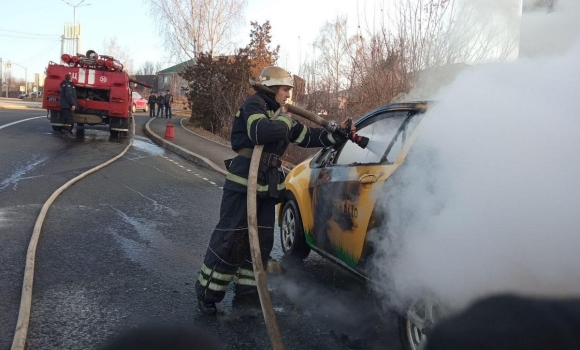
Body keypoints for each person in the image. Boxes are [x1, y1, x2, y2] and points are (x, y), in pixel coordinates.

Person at [195, 66, 355, 315]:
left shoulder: (280, 113)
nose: (288, 95)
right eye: (284, 89)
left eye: (289, 90)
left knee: (261, 243)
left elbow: (306, 136)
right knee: (231, 240)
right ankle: (208, 294)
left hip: (268, 183)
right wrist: (283, 117)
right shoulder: (254, 104)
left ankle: (248, 294)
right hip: (244, 181)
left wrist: (337, 135)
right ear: (270, 88)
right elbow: (260, 132)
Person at [59, 73, 77, 138]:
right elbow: (69, 95)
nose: (72, 78)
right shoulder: (68, 85)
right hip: (67, 105)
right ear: (70, 78)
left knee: (68, 119)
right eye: (71, 77)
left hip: (66, 105)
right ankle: (67, 132)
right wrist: (72, 104)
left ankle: (68, 132)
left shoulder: (65, 85)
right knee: (70, 119)